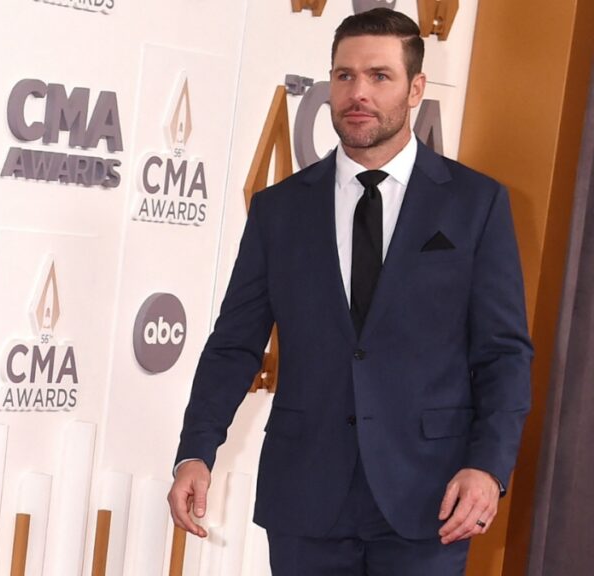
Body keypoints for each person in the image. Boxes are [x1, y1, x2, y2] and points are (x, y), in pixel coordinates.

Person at [168, 8, 532, 574]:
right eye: (344, 76)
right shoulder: (279, 210)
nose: (358, 93)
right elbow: (235, 344)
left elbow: (503, 353)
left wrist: (488, 466)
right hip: (306, 498)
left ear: (415, 89)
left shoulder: (474, 204)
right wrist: (196, 450)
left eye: (379, 76)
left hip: (431, 498)